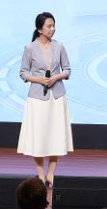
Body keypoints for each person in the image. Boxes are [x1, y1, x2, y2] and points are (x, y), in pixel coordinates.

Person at [18, 11, 73, 188]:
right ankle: (41, 174)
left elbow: (67, 70)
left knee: (55, 135)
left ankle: (51, 173)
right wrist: (39, 80)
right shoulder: (30, 48)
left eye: (53, 25)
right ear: (39, 29)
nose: (52, 29)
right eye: (49, 26)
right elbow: (23, 73)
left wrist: (56, 77)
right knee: (39, 136)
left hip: (57, 96)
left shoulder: (59, 46)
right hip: (37, 98)